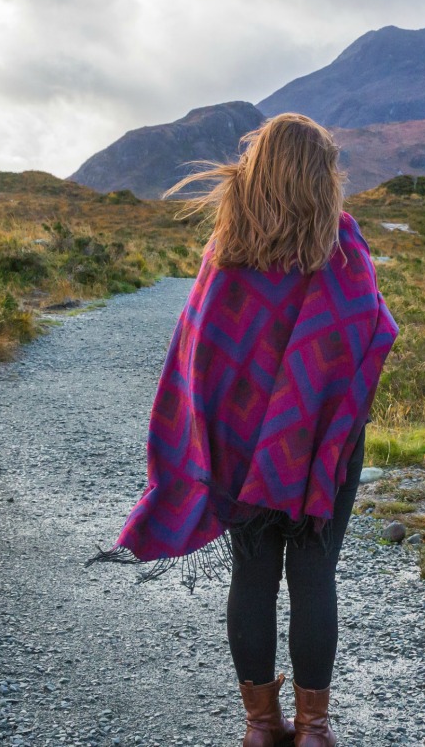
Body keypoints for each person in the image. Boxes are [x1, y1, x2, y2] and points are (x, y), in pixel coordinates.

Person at [90, 113, 398, 747]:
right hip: (320, 450)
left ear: (255, 174)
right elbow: (369, 335)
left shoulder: (227, 254)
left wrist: (214, 433)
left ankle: (261, 728)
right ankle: (313, 731)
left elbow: (197, 356)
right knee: (314, 573)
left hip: (241, 446)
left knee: (252, 577)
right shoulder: (343, 249)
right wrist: (320, 422)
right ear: (320, 179)